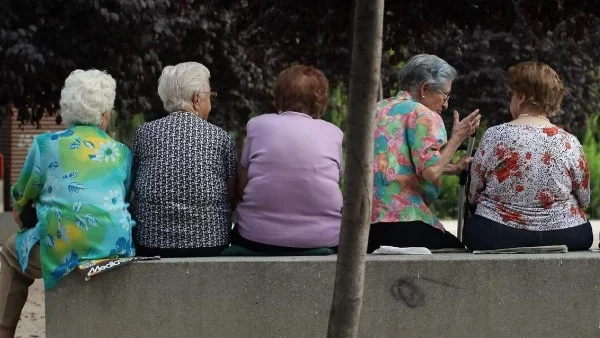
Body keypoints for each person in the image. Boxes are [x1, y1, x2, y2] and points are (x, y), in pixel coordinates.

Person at [0, 69, 135, 338]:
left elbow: (21, 198)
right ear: (105, 115)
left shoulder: (46, 145)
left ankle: (4, 330)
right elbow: (125, 195)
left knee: (11, 253)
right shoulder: (121, 152)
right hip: (114, 247)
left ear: (66, 110)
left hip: (63, 247)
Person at [464, 61, 592, 251]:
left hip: (496, 233)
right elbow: (584, 198)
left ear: (521, 97)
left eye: (511, 95)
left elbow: (473, 194)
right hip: (566, 233)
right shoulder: (569, 142)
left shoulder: (495, 136)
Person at [368, 54, 481, 253]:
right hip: (404, 220)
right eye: (445, 95)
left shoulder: (377, 109)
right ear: (425, 89)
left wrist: (450, 167)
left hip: (366, 225)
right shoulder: (424, 114)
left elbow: (399, 161)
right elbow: (430, 171)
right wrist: (457, 137)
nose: (445, 104)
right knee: (460, 254)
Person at [232, 65, 343, 253]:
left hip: (256, 236)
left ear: (279, 96)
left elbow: (241, 187)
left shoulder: (256, 126)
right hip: (324, 239)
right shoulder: (334, 134)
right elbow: (334, 182)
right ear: (320, 100)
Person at [132, 62, 237, 257]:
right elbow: (232, 196)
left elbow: (134, 183)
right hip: (211, 243)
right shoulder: (221, 138)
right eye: (210, 97)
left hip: (151, 242)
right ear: (197, 99)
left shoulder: (144, 133)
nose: (210, 103)